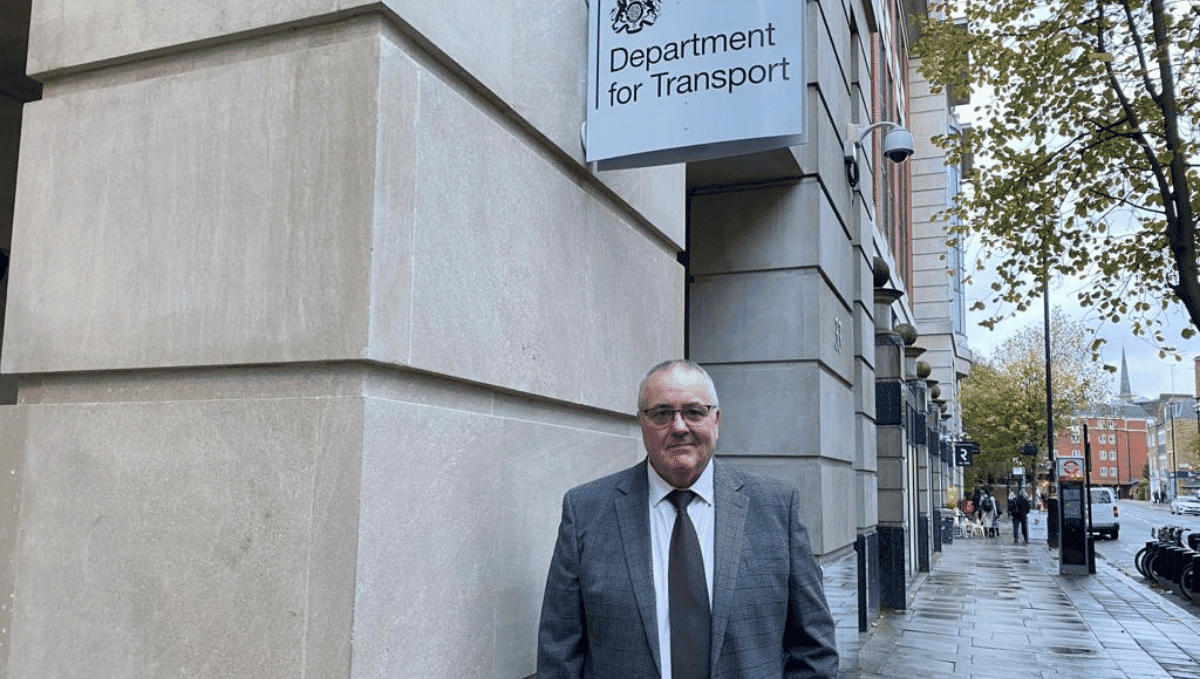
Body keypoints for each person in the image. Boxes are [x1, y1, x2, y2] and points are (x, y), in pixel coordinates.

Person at [537, 360, 839, 679]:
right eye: (662, 413)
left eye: (694, 412)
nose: (679, 426)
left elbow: (814, 649)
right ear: (642, 422)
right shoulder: (586, 510)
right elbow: (560, 652)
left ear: (716, 419)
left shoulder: (776, 507)